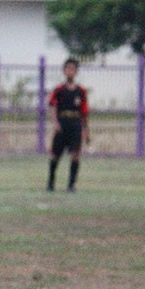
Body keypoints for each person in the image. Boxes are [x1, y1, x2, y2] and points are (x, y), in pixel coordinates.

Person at [47, 58, 89, 193]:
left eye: (73, 69)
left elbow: (84, 112)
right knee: (55, 155)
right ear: (64, 71)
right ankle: (51, 183)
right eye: (68, 69)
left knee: (75, 154)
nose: (70, 71)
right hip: (62, 123)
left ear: (76, 72)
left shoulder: (81, 91)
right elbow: (53, 106)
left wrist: (85, 130)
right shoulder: (58, 90)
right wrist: (55, 122)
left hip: (75, 124)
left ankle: (71, 185)